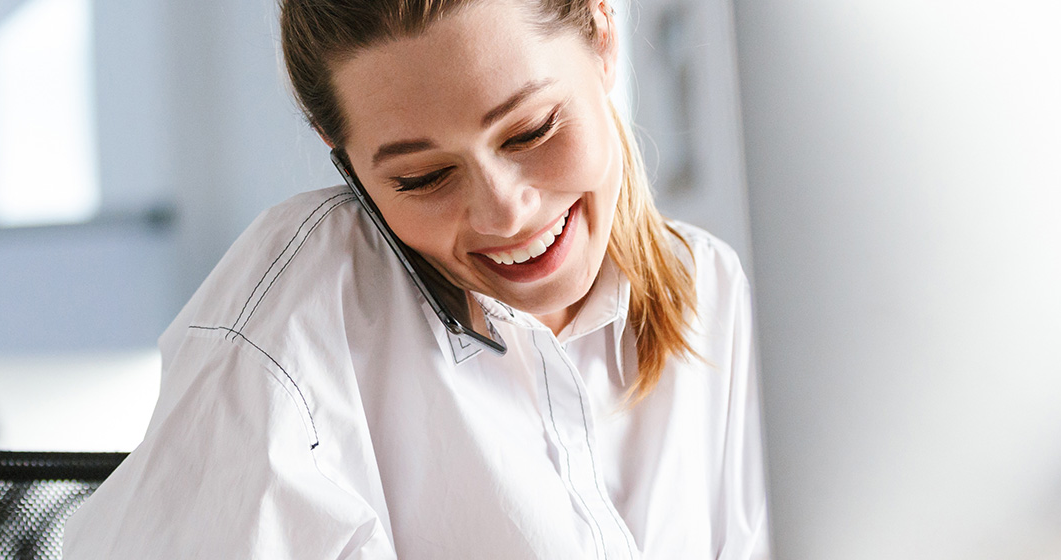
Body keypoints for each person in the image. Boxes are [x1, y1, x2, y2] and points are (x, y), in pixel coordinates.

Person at [63, 0, 768, 557]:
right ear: (340, 154)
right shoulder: (294, 330)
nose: (504, 213)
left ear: (602, 32)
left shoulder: (719, 295)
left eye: (530, 131)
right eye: (422, 177)